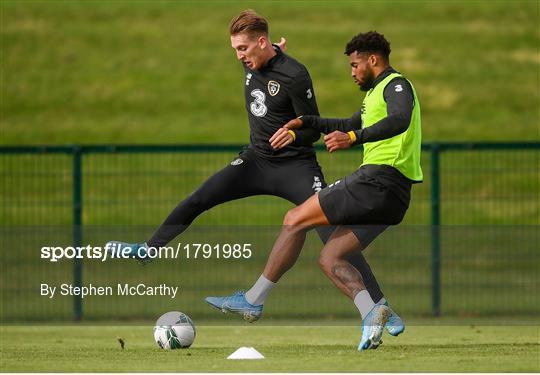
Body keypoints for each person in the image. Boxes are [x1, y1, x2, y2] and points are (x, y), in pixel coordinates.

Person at [106, 11, 401, 331]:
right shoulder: (254, 57)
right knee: (200, 197)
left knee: (331, 235)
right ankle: (148, 249)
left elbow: (312, 129)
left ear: (261, 43)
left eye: (243, 48)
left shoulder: (295, 74)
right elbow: (260, 52)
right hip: (256, 161)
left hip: (296, 166)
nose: (239, 56)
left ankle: (379, 306)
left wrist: (293, 134)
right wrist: (269, 47)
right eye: (235, 49)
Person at [206, 31, 422, 351]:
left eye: (355, 65)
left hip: (377, 181)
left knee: (295, 218)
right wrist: (305, 121)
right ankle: (376, 313)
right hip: (394, 198)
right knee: (329, 257)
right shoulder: (375, 94)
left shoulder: (396, 86)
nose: (352, 72)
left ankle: (253, 300)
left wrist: (354, 138)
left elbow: (400, 120)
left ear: (373, 60)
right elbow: (348, 121)